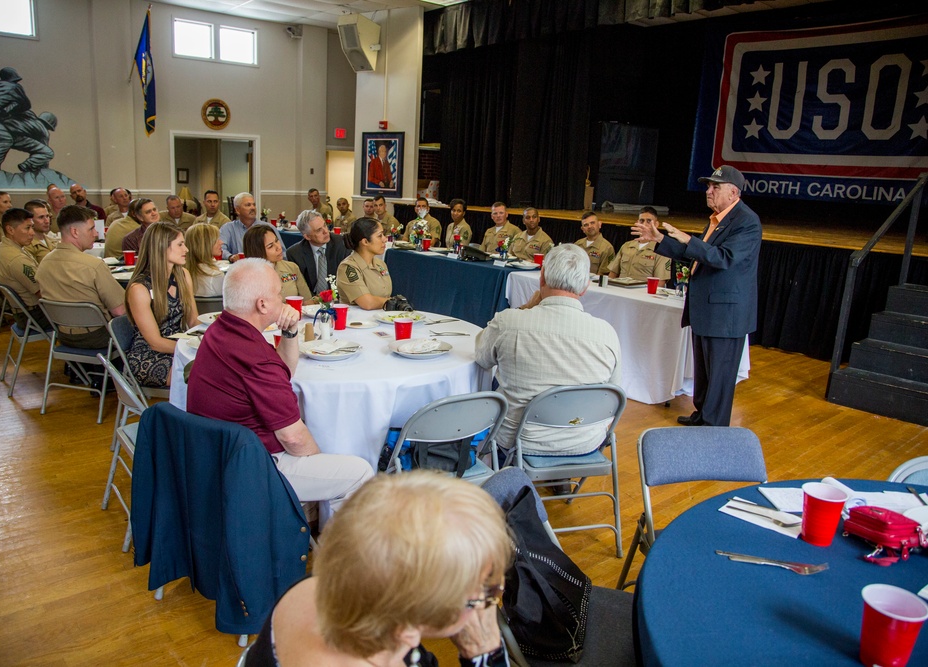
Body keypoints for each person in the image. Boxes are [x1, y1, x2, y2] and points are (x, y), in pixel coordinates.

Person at [244, 472, 512, 667]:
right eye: (484, 594)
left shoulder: (313, 589)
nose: (488, 603)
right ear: (409, 625)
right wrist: (484, 653)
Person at [187, 258, 374, 525]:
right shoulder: (254, 358)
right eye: (277, 293)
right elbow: (293, 438)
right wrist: (320, 470)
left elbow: (282, 371)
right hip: (247, 467)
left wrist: (290, 333)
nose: (282, 298)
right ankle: (339, 557)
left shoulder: (221, 330)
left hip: (213, 452)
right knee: (359, 472)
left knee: (318, 441)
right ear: (262, 304)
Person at [632, 165, 761, 427]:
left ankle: (713, 428)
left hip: (726, 314)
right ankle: (702, 416)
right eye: (708, 186)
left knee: (720, 377)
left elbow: (723, 258)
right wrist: (660, 239)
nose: (708, 191)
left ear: (733, 192)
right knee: (703, 372)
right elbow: (695, 255)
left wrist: (689, 240)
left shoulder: (747, 221)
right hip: (707, 309)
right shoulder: (717, 219)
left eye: (715, 187)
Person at [475, 244, 621, 456]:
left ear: (541, 276)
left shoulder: (509, 321)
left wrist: (525, 309)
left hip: (519, 439)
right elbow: (614, 394)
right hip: (585, 440)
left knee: (499, 376)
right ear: (585, 287)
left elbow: (481, 357)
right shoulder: (607, 334)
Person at [35, 206, 126, 348]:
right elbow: (120, 311)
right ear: (75, 232)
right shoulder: (93, 265)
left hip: (63, 336)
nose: (96, 233)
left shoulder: (43, 264)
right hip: (99, 337)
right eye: (91, 229)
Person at [124, 222, 198, 387]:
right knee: (204, 375)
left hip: (179, 346)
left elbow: (193, 320)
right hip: (149, 356)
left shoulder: (183, 276)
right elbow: (155, 342)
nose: (186, 249)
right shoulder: (139, 289)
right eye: (180, 244)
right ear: (162, 248)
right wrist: (195, 349)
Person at [0, 208, 51, 330]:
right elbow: (44, 293)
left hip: (25, 313)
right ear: (10, 230)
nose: (32, 233)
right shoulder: (16, 259)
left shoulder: (4, 247)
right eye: (27, 228)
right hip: (35, 316)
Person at [286, 210, 350, 295]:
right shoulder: (295, 253)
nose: (326, 231)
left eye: (325, 226)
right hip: (310, 301)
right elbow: (298, 287)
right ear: (307, 236)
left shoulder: (342, 244)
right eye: (319, 230)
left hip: (339, 299)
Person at [243, 225, 312, 301]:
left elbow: (307, 301)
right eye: (270, 246)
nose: (278, 247)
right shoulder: (248, 277)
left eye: (276, 241)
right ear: (257, 252)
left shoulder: (292, 267)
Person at [337, 218, 393, 310]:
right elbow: (367, 303)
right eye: (379, 236)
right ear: (365, 242)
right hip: (358, 321)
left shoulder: (380, 264)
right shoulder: (348, 267)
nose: (385, 239)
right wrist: (393, 302)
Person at [607, 207, 670, 281]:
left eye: (649, 221)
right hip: (620, 289)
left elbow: (660, 282)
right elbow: (613, 273)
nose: (644, 224)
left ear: (656, 224)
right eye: (641, 221)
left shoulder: (661, 251)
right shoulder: (626, 246)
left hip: (642, 291)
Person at [219, 192, 283, 260]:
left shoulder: (268, 228)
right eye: (248, 205)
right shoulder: (228, 228)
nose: (252, 208)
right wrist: (230, 256)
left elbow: (282, 253)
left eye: (254, 205)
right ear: (237, 210)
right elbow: (220, 249)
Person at [184, 223, 225, 297]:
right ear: (205, 244)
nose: (222, 242)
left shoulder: (180, 274)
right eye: (216, 240)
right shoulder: (216, 276)